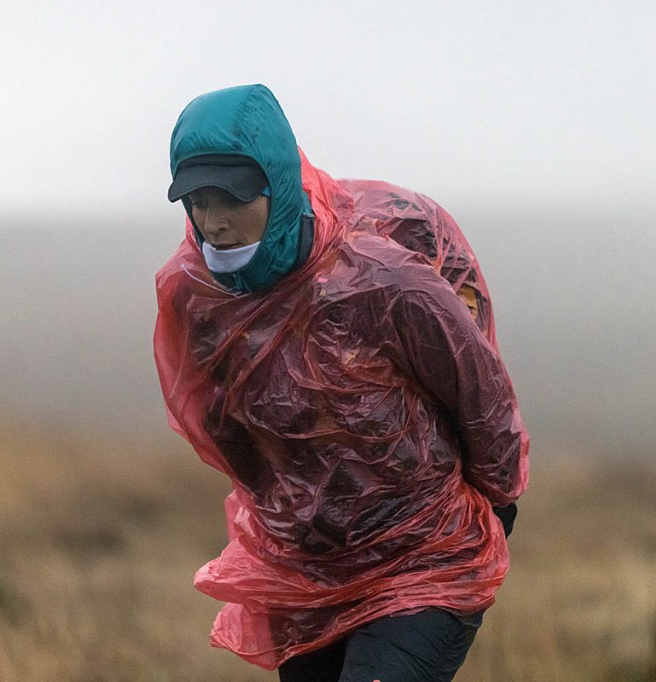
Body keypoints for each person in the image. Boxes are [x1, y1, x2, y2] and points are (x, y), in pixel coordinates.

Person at [154, 84, 529, 682]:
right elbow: (220, 425)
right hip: (308, 570)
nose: (214, 222)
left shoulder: (382, 281)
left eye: (231, 196)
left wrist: (500, 498)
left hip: (422, 557)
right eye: (196, 201)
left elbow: (479, 393)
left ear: (276, 184)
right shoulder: (196, 300)